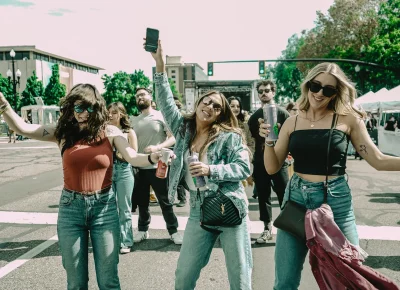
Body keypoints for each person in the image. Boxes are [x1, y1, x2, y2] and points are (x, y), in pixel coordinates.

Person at [0, 85, 163, 290]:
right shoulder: (62, 133)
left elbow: (131, 156)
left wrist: (151, 157)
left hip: (104, 209)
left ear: (98, 108)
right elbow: (23, 128)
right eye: (78, 108)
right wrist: (3, 104)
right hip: (71, 210)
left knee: (108, 281)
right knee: (76, 283)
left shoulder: (110, 132)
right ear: (71, 108)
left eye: (89, 108)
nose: (83, 114)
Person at [259, 62, 400, 289]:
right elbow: (272, 168)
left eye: (328, 89)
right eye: (316, 86)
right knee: (284, 282)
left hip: (336, 203)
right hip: (296, 201)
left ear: (337, 92)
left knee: (349, 277)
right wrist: (268, 141)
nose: (320, 93)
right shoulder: (291, 122)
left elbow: (378, 160)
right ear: (308, 86)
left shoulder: (348, 120)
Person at [150, 40, 253, 290]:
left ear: (220, 114)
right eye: (206, 101)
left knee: (240, 279)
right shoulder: (183, 129)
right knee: (183, 276)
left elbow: (244, 168)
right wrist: (160, 64)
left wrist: (211, 170)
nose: (209, 107)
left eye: (216, 106)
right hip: (198, 210)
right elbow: (164, 101)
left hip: (229, 204)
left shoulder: (230, 136)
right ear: (198, 103)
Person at [131, 87, 183, 245]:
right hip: (139, 167)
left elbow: (173, 137)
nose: (140, 97)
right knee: (142, 203)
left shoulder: (160, 116)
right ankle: (142, 230)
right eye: (137, 95)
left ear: (150, 97)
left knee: (165, 201)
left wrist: (157, 148)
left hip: (158, 166)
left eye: (143, 94)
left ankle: (173, 231)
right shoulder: (134, 120)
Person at [248, 80, 290, 243]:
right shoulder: (254, 117)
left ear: (273, 92)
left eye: (267, 90)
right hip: (260, 162)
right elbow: (251, 141)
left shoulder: (283, 114)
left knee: (284, 195)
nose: (264, 93)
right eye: (260, 91)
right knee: (263, 196)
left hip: (280, 161)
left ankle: (288, 229)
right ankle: (267, 228)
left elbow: (291, 137)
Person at [108, 101, 138, 254]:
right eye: (109, 112)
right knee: (108, 208)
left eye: (114, 112)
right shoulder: (104, 130)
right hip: (107, 170)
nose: (110, 115)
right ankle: (110, 240)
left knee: (124, 208)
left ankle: (126, 241)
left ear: (121, 114)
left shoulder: (128, 132)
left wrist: (121, 152)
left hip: (124, 170)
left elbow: (134, 153)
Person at [228, 96, 255, 188]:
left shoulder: (245, 126)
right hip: (226, 166)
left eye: (238, 106)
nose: (236, 108)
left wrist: (247, 155)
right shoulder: (220, 125)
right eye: (232, 106)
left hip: (242, 164)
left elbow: (251, 143)